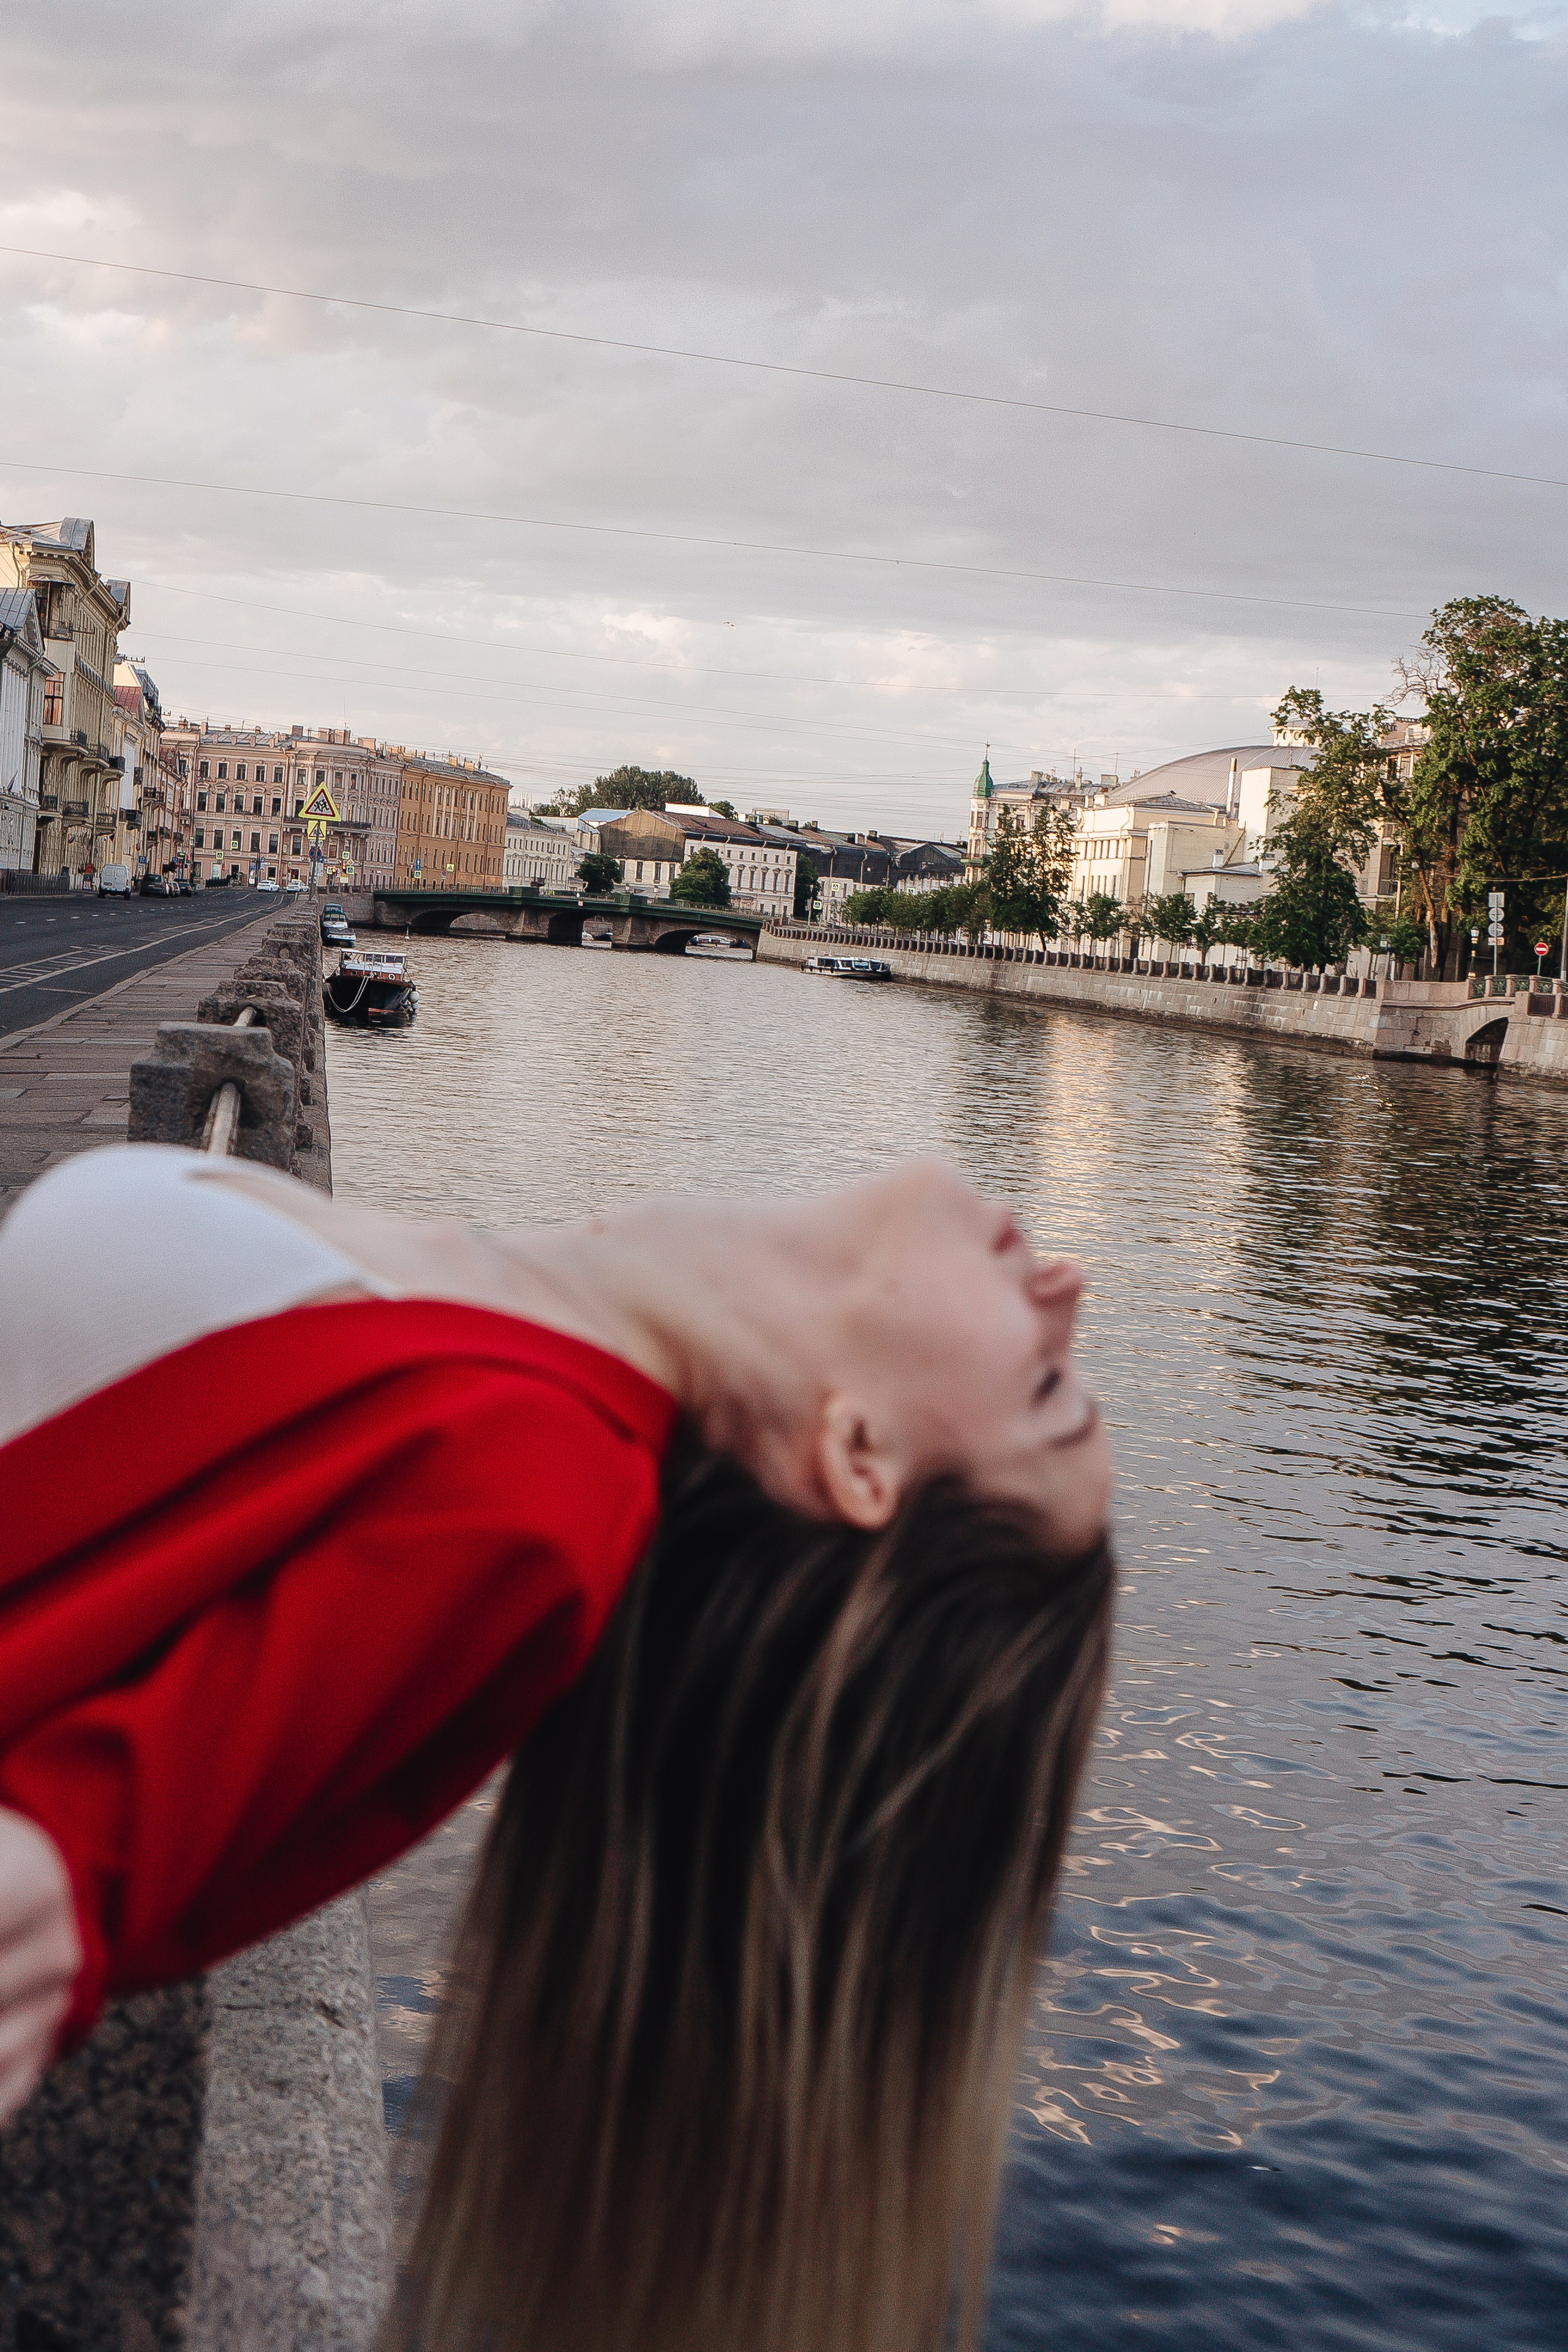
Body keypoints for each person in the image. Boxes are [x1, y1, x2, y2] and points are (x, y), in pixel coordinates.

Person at [0, 1142, 1114, 2352]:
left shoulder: (531, 1501)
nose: (1064, 1286)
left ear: (860, 1457)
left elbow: (39, 1904)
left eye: (1046, 1387)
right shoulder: (526, 1356)